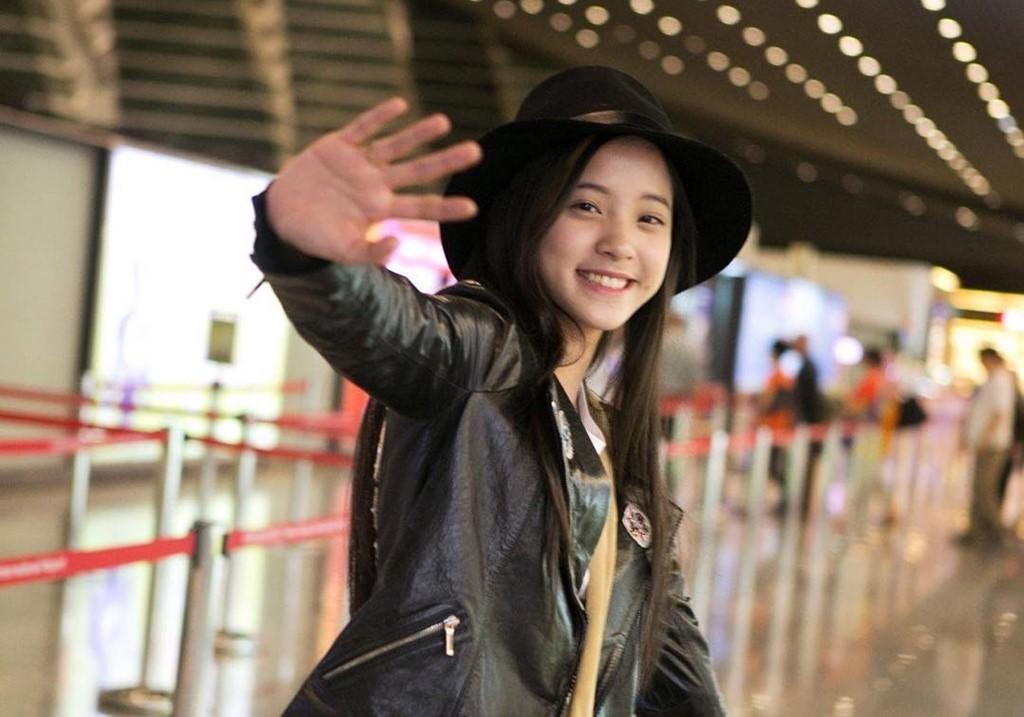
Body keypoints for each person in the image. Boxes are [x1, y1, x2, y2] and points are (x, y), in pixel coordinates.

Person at [252, 66, 751, 715]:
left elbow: (676, 670)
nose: (620, 243)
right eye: (586, 205)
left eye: (650, 218)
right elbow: (399, 330)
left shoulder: (610, 443)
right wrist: (303, 248)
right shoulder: (484, 359)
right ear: (526, 213)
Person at [958, 347, 1016, 547]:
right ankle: (974, 531)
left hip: (993, 446)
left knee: (984, 489)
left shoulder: (1000, 381)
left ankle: (999, 532)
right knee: (978, 488)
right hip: (986, 444)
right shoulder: (993, 380)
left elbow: (999, 414)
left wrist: (984, 439)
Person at [758, 339, 795, 511]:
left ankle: (778, 501)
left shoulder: (775, 376)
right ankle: (782, 500)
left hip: (772, 427)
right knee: (779, 465)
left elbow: (766, 401)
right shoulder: (787, 377)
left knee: (772, 467)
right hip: (783, 425)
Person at [791, 334, 825, 517]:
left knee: (806, 464)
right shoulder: (807, 365)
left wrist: (806, 422)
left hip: (808, 423)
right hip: (808, 422)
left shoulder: (808, 367)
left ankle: (803, 505)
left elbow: (808, 399)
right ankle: (801, 503)